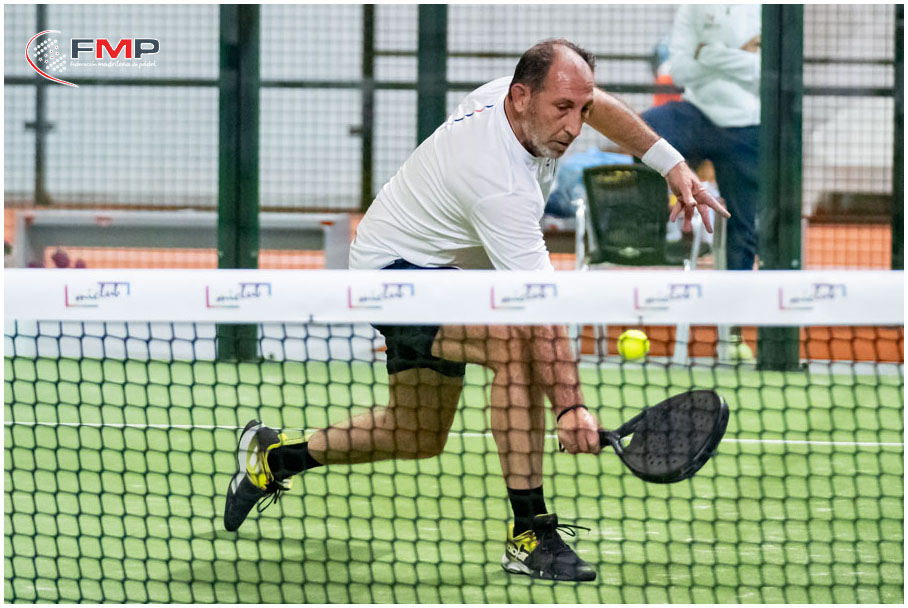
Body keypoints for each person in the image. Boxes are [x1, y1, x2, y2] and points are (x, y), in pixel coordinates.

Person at [224, 39, 728, 582]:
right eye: (562, 109)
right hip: (392, 273)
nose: (575, 126)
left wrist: (672, 165)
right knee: (514, 345)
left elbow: (597, 102)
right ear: (521, 97)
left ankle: (271, 458)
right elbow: (540, 312)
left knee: (415, 434)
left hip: (448, 274)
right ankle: (529, 534)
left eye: (578, 110)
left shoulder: (521, 101)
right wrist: (570, 408)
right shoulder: (499, 183)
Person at [640, 4, 761, 272]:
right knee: (646, 126)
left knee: (743, 226)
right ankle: (657, 230)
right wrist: (739, 56)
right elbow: (680, 71)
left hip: (747, 125)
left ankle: (737, 287)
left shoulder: (765, 10)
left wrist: (707, 53)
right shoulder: (692, 8)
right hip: (697, 113)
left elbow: (762, 72)